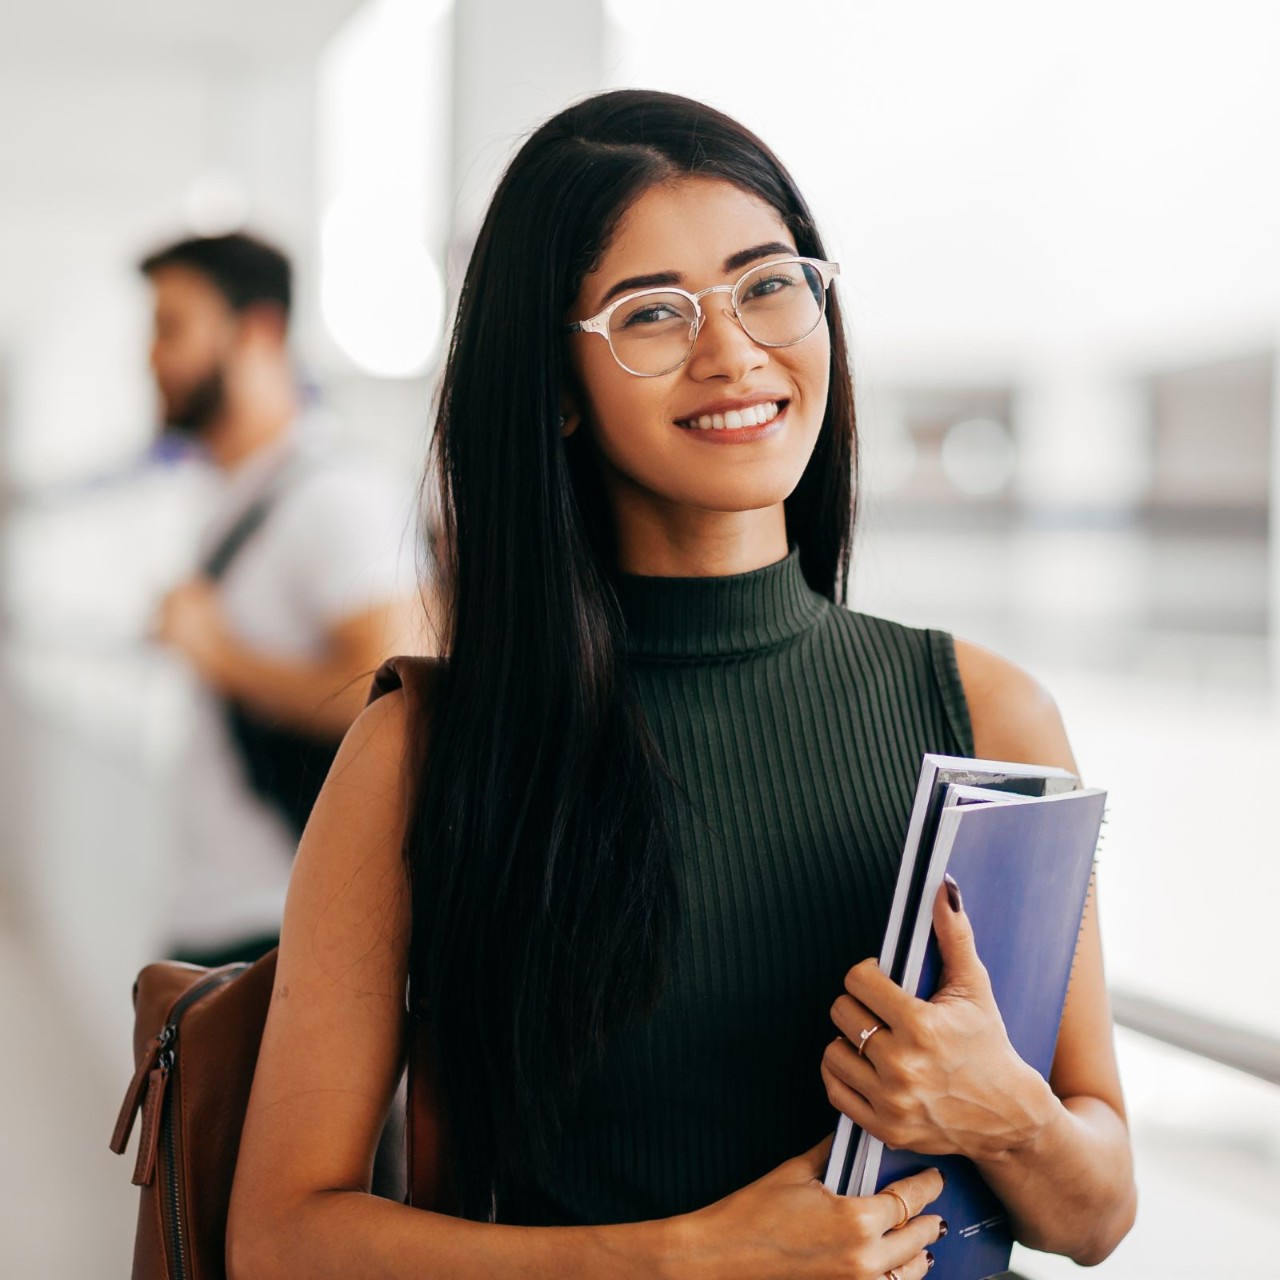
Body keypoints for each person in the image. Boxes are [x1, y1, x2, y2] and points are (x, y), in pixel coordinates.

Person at [227, 91, 1137, 1279]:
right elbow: (280, 1235)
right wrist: (682, 1258)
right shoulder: (422, 750)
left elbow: (1095, 1212)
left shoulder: (987, 711)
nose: (732, 350)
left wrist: (997, 1108)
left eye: (768, 284)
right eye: (651, 313)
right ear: (552, 385)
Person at [144, 232, 420, 968]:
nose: (151, 356)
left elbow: (388, 693)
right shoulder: (240, 494)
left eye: (172, 327)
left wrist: (219, 656)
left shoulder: (337, 496)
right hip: (226, 918)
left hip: (285, 931)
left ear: (258, 331)